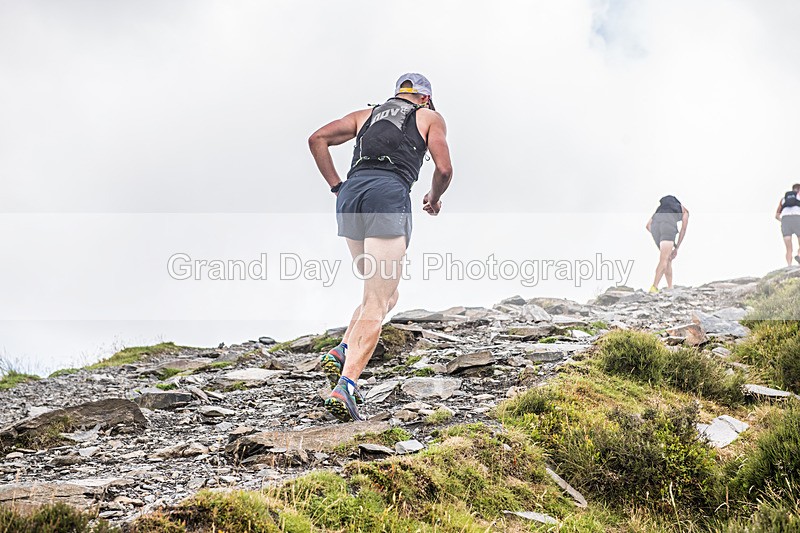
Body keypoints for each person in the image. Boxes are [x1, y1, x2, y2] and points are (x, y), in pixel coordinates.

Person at [308, 73, 453, 422]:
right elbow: (444, 169)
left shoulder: (365, 115)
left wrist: (336, 187)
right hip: (388, 194)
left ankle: (344, 348)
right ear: (425, 99)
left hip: (351, 197)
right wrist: (433, 198)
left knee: (386, 294)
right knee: (377, 299)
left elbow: (318, 139)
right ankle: (346, 387)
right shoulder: (430, 118)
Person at [645, 195, 689, 293]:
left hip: (656, 227)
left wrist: (659, 236)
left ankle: (670, 287)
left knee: (667, 259)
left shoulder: (661, 209)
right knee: (664, 259)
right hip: (668, 227)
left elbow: (648, 226)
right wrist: (676, 247)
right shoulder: (685, 211)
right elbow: (683, 229)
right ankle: (654, 287)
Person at [775, 184, 800, 266]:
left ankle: (789, 266)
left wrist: (783, 221)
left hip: (786, 220)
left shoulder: (784, 199)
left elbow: (776, 215)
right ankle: (799, 255)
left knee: (788, 248)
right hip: (797, 218)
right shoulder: (799, 196)